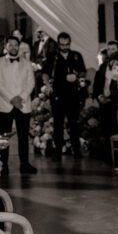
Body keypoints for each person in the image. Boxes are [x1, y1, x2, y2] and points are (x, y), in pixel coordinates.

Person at [43, 32, 87, 160]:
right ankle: (58, 151)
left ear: (70, 43)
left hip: (73, 95)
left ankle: (76, 150)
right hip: (58, 94)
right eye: (62, 45)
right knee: (58, 124)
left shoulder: (76, 56)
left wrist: (77, 76)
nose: (65, 47)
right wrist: (47, 85)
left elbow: (83, 72)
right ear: (58, 44)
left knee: (74, 123)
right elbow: (45, 73)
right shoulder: (52, 56)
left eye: (67, 44)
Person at [0, 36, 37, 175]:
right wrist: (11, 99)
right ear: (5, 46)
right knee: (3, 137)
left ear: (19, 46)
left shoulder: (27, 63)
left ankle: (25, 164)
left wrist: (20, 98)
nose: (13, 47)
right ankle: (3, 164)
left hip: (23, 104)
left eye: (16, 45)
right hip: (5, 104)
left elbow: (31, 83)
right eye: (10, 45)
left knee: (23, 136)